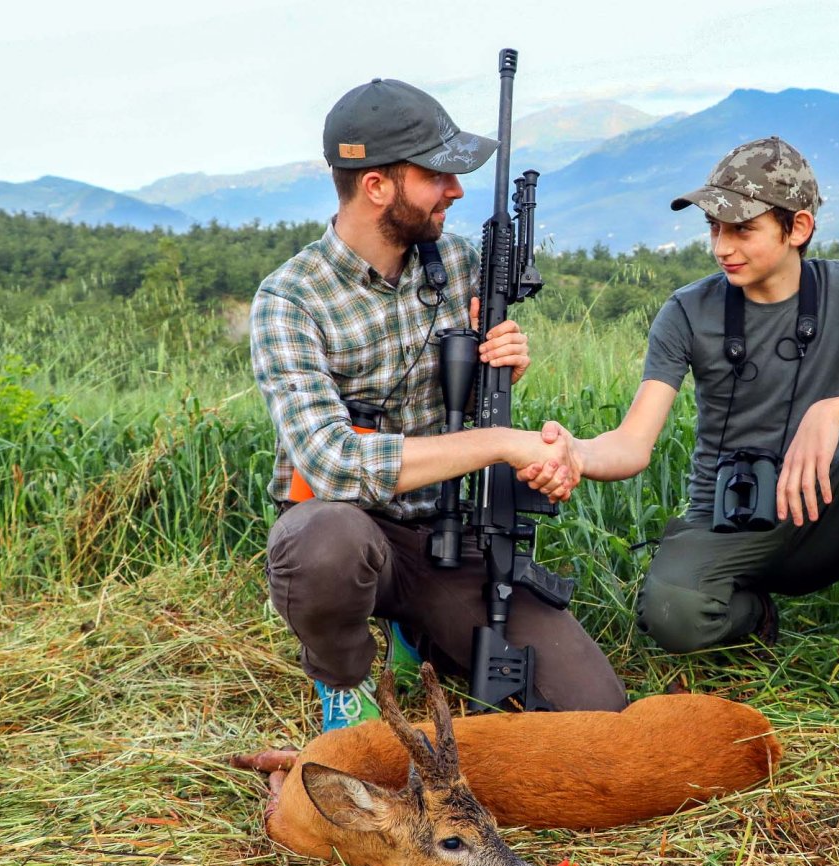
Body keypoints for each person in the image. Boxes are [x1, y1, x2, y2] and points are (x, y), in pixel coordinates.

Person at [250, 77, 627, 731]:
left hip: (447, 529)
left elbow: (475, 412)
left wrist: (500, 371)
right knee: (323, 547)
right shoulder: (290, 299)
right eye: (435, 175)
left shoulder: (457, 263)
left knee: (594, 712)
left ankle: (418, 628)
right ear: (376, 186)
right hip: (346, 527)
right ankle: (343, 679)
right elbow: (333, 465)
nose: (454, 189)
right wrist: (500, 445)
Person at [527, 137, 839, 717]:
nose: (722, 247)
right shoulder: (687, 310)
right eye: (713, 228)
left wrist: (831, 410)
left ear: (798, 227)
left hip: (821, 515)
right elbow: (632, 443)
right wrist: (576, 453)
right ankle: (752, 613)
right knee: (671, 616)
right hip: (724, 524)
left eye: (742, 229)